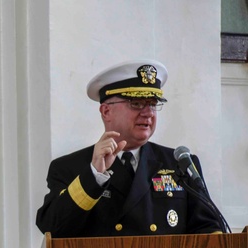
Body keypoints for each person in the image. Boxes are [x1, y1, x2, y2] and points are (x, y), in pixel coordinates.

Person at [36, 60, 225, 237]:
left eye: (152, 104)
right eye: (136, 103)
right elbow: (52, 228)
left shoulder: (180, 163)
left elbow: (211, 230)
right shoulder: (70, 167)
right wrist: (94, 176)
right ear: (106, 111)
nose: (148, 113)